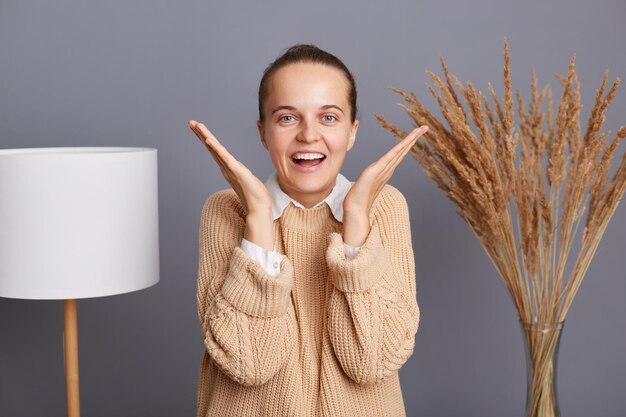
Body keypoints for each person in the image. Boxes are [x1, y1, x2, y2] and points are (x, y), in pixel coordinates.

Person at [189, 44, 427, 417]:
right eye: (287, 118)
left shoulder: (384, 207)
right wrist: (258, 220)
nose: (308, 135)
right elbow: (249, 364)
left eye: (329, 118)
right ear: (264, 132)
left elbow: (372, 362)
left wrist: (357, 222)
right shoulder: (225, 210)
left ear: (352, 131)